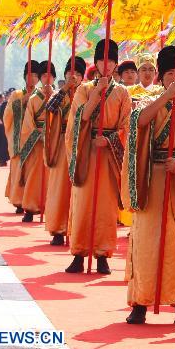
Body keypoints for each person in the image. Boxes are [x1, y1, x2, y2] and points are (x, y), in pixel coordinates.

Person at [124, 45, 175, 326]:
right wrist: (166, 99)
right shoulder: (147, 104)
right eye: (170, 73)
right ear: (161, 77)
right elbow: (137, 123)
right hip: (152, 182)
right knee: (147, 241)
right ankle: (140, 302)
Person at [65, 39, 132, 275]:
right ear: (96, 62)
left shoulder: (123, 92)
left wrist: (111, 139)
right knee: (83, 203)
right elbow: (78, 120)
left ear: (115, 65)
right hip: (87, 150)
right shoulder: (83, 89)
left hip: (109, 154)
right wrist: (96, 93)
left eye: (111, 60)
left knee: (105, 207)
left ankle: (103, 253)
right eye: (102, 60)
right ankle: (79, 253)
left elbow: (127, 125)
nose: (106, 64)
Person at [44, 56, 86, 246]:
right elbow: (50, 109)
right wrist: (64, 89)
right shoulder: (60, 94)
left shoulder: (86, 93)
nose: (74, 76)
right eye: (71, 73)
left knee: (80, 186)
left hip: (81, 143)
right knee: (60, 187)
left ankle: (77, 228)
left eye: (78, 73)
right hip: (62, 144)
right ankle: (58, 229)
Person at [18, 61, 56, 222]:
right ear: (40, 78)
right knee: (34, 175)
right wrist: (37, 134)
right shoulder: (34, 98)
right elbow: (27, 121)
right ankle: (30, 207)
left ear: (54, 78)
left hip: (53, 141)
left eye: (50, 75)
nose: (47, 78)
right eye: (44, 75)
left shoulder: (59, 96)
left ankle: (50, 208)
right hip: (36, 141)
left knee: (51, 176)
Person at [4, 62, 40, 213]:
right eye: (29, 74)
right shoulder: (16, 94)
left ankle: (32, 200)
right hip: (19, 138)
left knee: (33, 170)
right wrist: (21, 102)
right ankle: (18, 200)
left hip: (35, 137)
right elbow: (7, 115)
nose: (31, 78)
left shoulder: (41, 94)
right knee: (19, 168)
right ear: (24, 76)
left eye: (35, 75)